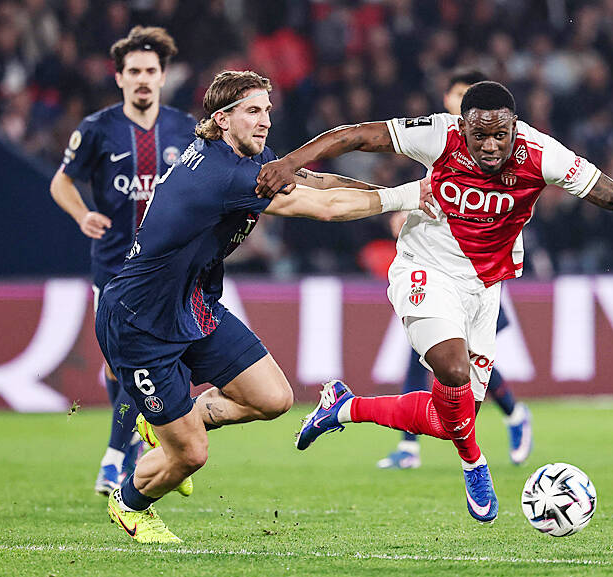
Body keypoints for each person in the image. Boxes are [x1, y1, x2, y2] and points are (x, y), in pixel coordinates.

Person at [256, 81, 613, 524]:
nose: (490, 146)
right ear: (462, 126)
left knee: (449, 418)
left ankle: (344, 407)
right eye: (479, 136)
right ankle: (475, 462)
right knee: (452, 369)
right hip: (426, 268)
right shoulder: (438, 135)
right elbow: (357, 135)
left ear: (515, 127)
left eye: (500, 135)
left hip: (486, 288)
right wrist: (290, 163)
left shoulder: (542, 154)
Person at [98, 69, 428, 543]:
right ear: (222, 119)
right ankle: (130, 503)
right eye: (253, 111)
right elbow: (324, 207)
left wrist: (394, 201)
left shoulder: (249, 159)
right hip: (139, 322)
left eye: (267, 110)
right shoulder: (222, 174)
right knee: (190, 454)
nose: (265, 120)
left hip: (193, 304)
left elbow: (318, 183)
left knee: (273, 399)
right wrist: (410, 196)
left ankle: (169, 422)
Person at [49, 26, 197, 497]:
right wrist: (82, 214)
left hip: (169, 270)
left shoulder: (185, 129)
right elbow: (61, 182)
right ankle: (133, 449)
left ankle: (115, 460)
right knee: (120, 369)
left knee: (144, 365)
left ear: (163, 76)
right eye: (133, 71)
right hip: (114, 266)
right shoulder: (97, 129)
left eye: (150, 70)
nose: (142, 79)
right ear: (119, 77)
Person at [378, 69, 532, 471]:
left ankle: (513, 413)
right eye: (457, 95)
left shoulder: (501, 150)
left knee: (462, 360)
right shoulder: (439, 140)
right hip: (435, 266)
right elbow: (432, 193)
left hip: (481, 271)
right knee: (435, 356)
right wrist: (406, 209)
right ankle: (410, 445)